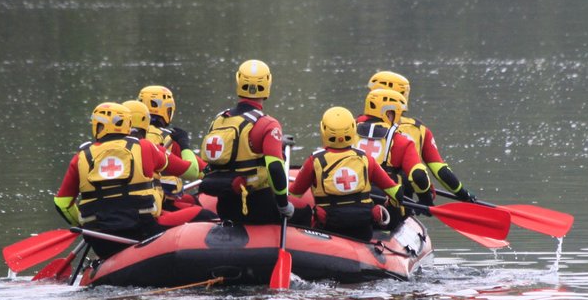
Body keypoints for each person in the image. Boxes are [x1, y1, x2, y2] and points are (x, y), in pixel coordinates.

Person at [54, 101, 198, 255]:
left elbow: (62, 203)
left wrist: (85, 225)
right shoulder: (145, 147)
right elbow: (191, 170)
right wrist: (183, 144)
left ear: (97, 126)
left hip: (101, 240)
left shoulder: (81, 157)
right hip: (144, 232)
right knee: (203, 214)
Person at [200, 59, 292, 225]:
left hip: (225, 207)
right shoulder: (268, 124)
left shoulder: (219, 120)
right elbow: (275, 169)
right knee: (305, 214)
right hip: (259, 207)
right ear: (268, 85)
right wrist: (284, 205)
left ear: (238, 82)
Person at [289, 106, 401, 241]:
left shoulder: (315, 160)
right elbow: (395, 191)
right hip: (362, 230)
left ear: (324, 131)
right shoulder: (366, 159)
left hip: (329, 229)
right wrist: (392, 203)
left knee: (303, 212)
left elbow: (294, 194)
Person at [368, 69, 475, 203]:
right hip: (399, 200)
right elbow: (439, 170)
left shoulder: (352, 126)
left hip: (360, 197)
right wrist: (463, 193)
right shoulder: (419, 130)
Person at [354, 86, 432, 206]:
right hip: (387, 207)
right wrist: (425, 201)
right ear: (389, 114)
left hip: (352, 204)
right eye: (398, 115)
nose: (399, 121)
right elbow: (419, 176)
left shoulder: (348, 134)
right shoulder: (400, 141)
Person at [138, 84, 203, 204]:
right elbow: (200, 170)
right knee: (199, 207)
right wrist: (184, 143)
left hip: (138, 200)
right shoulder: (170, 138)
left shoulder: (126, 139)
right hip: (163, 202)